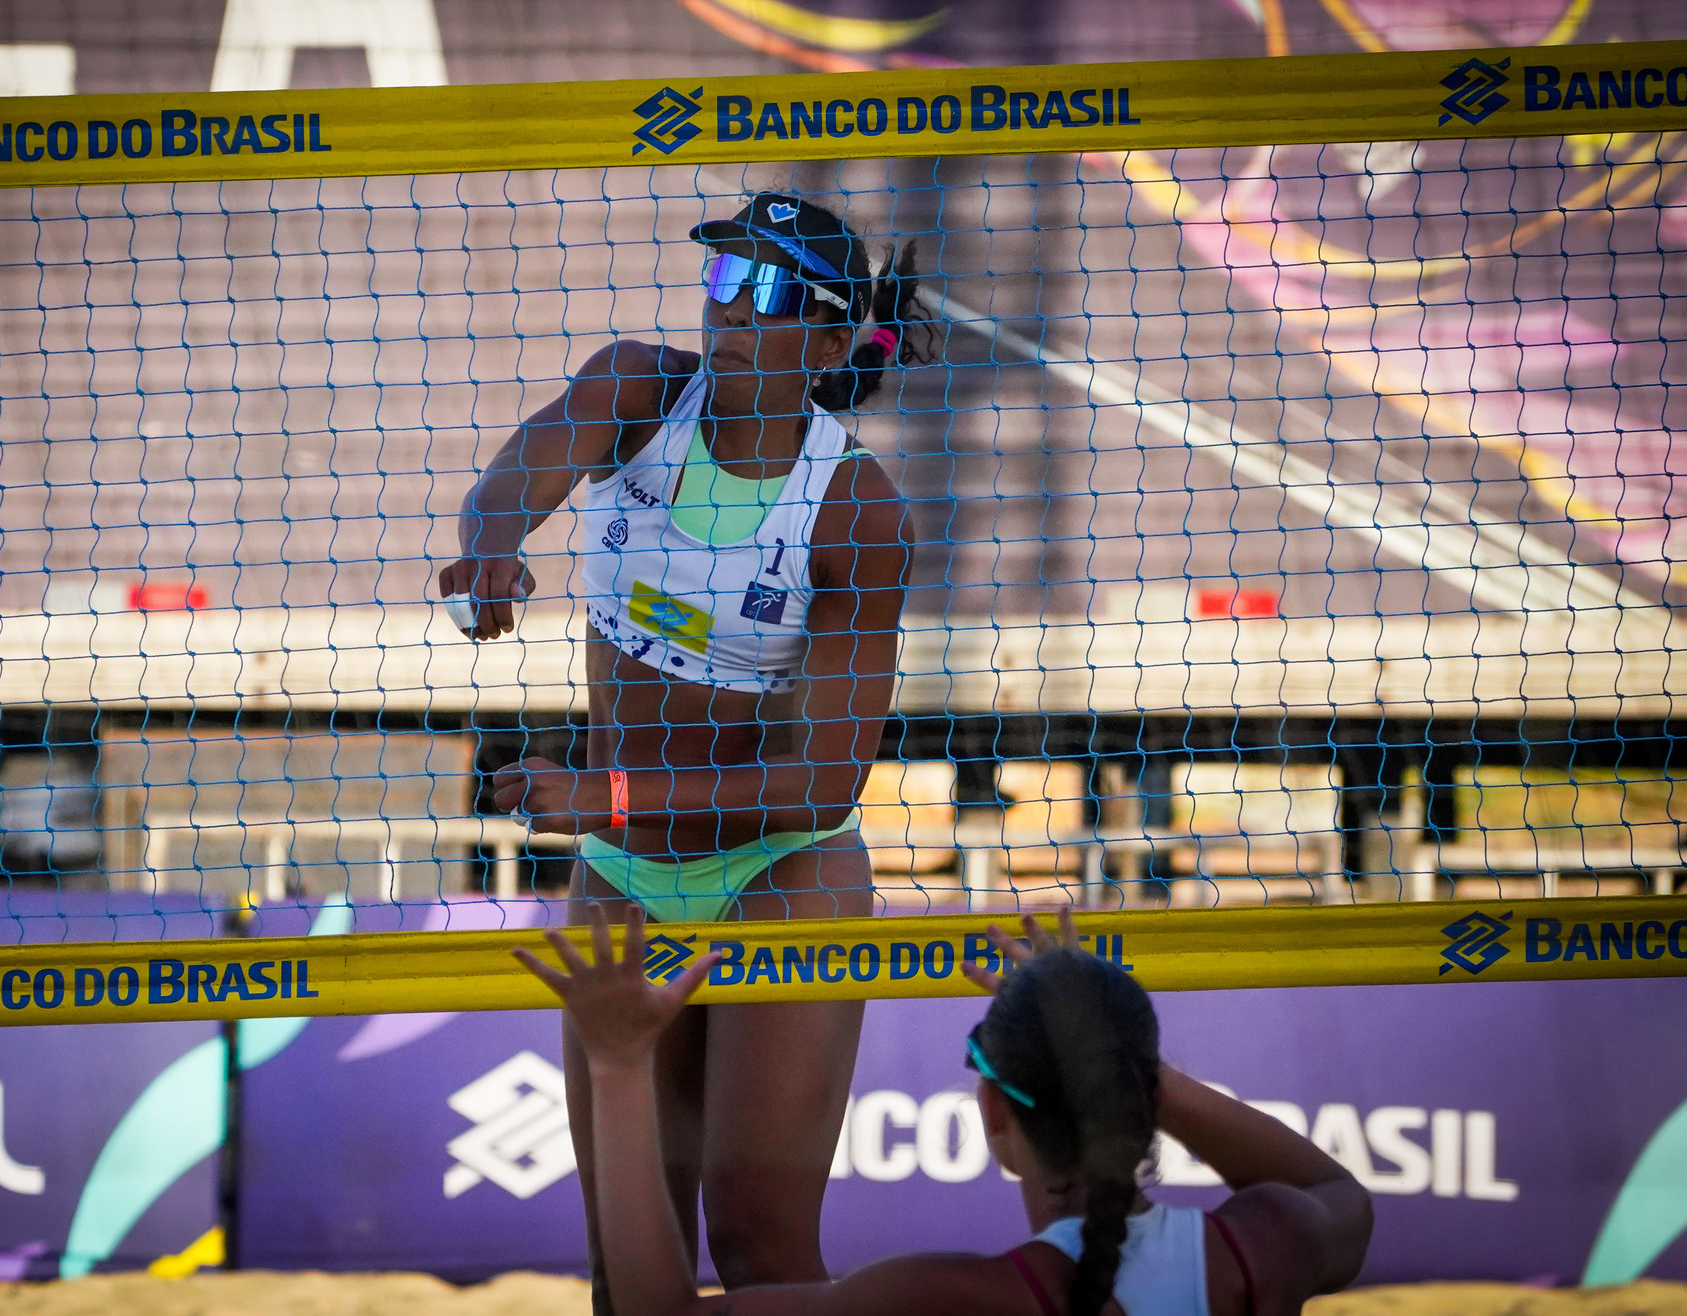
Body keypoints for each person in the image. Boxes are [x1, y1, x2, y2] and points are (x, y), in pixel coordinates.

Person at [437, 192, 925, 1308]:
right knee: (628, 1256)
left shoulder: (854, 510)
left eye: (769, 290)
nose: (731, 310)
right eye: (722, 278)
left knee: (760, 1247)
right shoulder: (637, 390)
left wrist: (603, 795)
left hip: (779, 873)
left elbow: (818, 787)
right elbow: (508, 481)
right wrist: (492, 547)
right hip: (624, 868)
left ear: (828, 341)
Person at [517, 906, 1374, 1316]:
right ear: (1146, 1096)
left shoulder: (949, 1297)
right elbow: (1339, 1193)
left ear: (993, 1111)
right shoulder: (1263, 1249)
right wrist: (1116, 1056)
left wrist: (618, 1062)